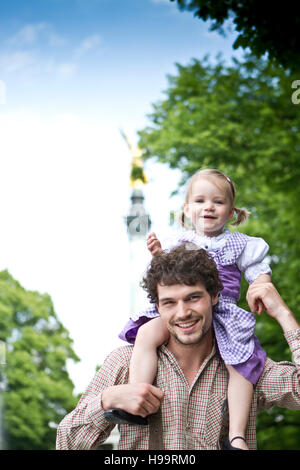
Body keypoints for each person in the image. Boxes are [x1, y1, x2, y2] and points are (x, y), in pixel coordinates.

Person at [56, 244, 300, 450]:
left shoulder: (244, 364)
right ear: (157, 308)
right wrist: (106, 400)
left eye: (193, 297)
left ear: (214, 296)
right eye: (169, 303)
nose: (182, 313)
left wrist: (283, 314)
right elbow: (66, 443)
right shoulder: (124, 363)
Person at [114, 169, 271, 450]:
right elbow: (170, 276)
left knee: (241, 364)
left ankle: (236, 435)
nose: (208, 207)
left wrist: (262, 286)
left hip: (222, 312)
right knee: (147, 333)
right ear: (187, 210)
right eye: (199, 201)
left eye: (218, 202)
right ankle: (138, 394)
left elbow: (259, 272)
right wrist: (159, 255)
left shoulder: (242, 244)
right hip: (185, 311)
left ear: (232, 212)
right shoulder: (178, 241)